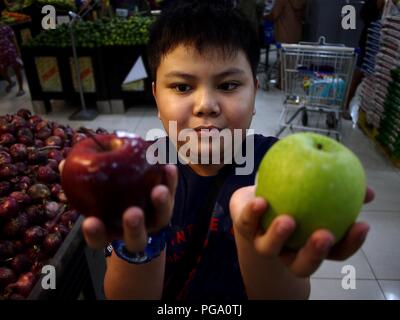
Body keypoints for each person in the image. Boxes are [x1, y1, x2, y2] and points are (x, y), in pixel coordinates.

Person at [62, 0, 373, 300]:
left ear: (255, 91)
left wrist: (252, 232)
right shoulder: (141, 173)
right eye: (182, 87)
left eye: (227, 86)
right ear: (156, 96)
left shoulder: (276, 164)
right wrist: (145, 238)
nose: (206, 106)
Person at [343, 0, 386, 119]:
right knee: (359, 74)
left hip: (384, 42)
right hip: (370, 41)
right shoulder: (373, 5)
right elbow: (364, 15)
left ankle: (369, 111)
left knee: (375, 78)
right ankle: (345, 105)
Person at [0, 22, 25, 97]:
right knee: (2, 71)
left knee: (17, 70)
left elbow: (14, 40)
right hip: (1, 55)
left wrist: (18, 52)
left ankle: (21, 88)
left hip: (10, 51)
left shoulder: (6, 27)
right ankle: (11, 82)